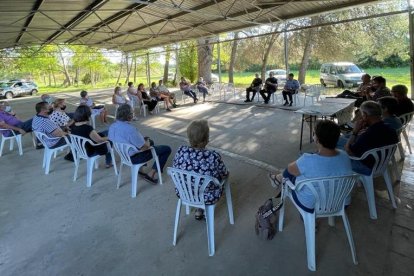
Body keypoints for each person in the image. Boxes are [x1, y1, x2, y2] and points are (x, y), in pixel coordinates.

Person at [268, 120, 353, 212]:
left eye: (314, 133)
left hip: (312, 207)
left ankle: (276, 179)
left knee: (292, 176)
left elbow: (289, 170)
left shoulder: (307, 160)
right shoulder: (345, 156)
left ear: (317, 139)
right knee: (300, 171)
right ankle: (276, 179)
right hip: (341, 204)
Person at [173, 119, 229, 220]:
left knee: (197, 182)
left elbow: (175, 168)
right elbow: (224, 174)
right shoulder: (213, 156)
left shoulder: (181, 151)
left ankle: (199, 210)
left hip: (184, 192)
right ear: (206, 139)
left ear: (189, 137)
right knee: (217, 182)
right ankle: (203, 210)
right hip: (207, 196)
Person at [108, 104, 171, 183]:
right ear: (128, 115)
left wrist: (144, 141)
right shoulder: (130, 129)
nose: (133, 113)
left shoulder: (112, 126)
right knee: (166, 149)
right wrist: (146, 142)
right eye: (132, 112)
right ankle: (151, 174)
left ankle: (140, 170)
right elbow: (144, 147)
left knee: (150, 141)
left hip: (124, 155)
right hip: (136, 157)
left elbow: (116, 139)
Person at [344, 101, 399, 175]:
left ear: (365, 115)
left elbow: (349, 151)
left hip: (367, 167)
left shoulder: (367, 135)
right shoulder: (391, 129)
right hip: (381, 163)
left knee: (337, 152)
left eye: (361, 114)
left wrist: (355, 132)